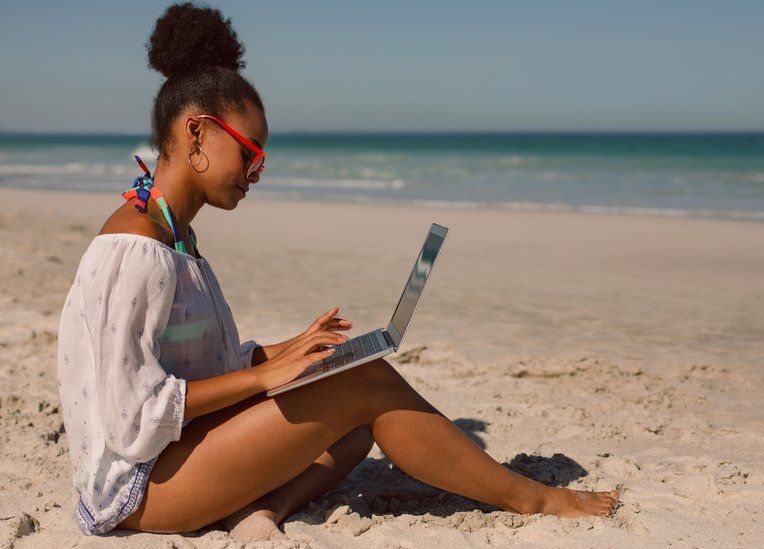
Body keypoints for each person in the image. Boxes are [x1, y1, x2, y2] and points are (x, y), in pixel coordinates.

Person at [55, 2, 619, 541]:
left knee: (347, 411)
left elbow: (189, 362)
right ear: (198, 133)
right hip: (137, 490)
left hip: (173, 461)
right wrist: (259, 379)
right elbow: (129, 411)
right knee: (363, 384)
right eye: (251, 153)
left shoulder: (174, 235)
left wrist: (281, 353)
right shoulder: (135, 247)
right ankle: (531, 498)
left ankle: (263, 510)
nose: (255, 172)